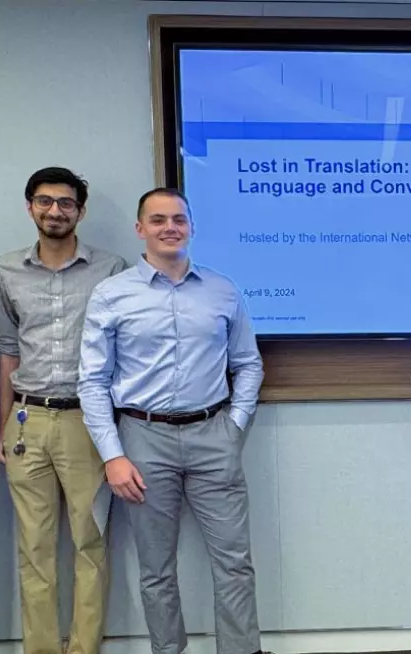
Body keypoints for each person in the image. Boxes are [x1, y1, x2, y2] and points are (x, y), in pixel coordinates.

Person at [78, 187, 266, 654]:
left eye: (178, 219)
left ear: (191, 227)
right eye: (158, 220)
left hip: (213, 435)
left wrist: (235, 425)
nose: (169, 228)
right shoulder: (112, 295)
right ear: (140, 229)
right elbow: (92, 382)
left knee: (235, 562)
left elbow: (248, 364)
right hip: (142, 440)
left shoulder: (222, 290)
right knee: (156, 568)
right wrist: (113, 457)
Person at [0, 166, 128, 654]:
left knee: (90, 545)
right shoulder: (6, 269)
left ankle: (85, 649)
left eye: (66, 203)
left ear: (80, 211)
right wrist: (1, 427)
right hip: (27, 420)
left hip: (86, 423)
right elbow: (8, 351)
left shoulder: (112, 269)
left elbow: (124, 348)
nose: (55, 211)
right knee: (34, 549)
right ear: (30, 206)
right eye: (45, 201)